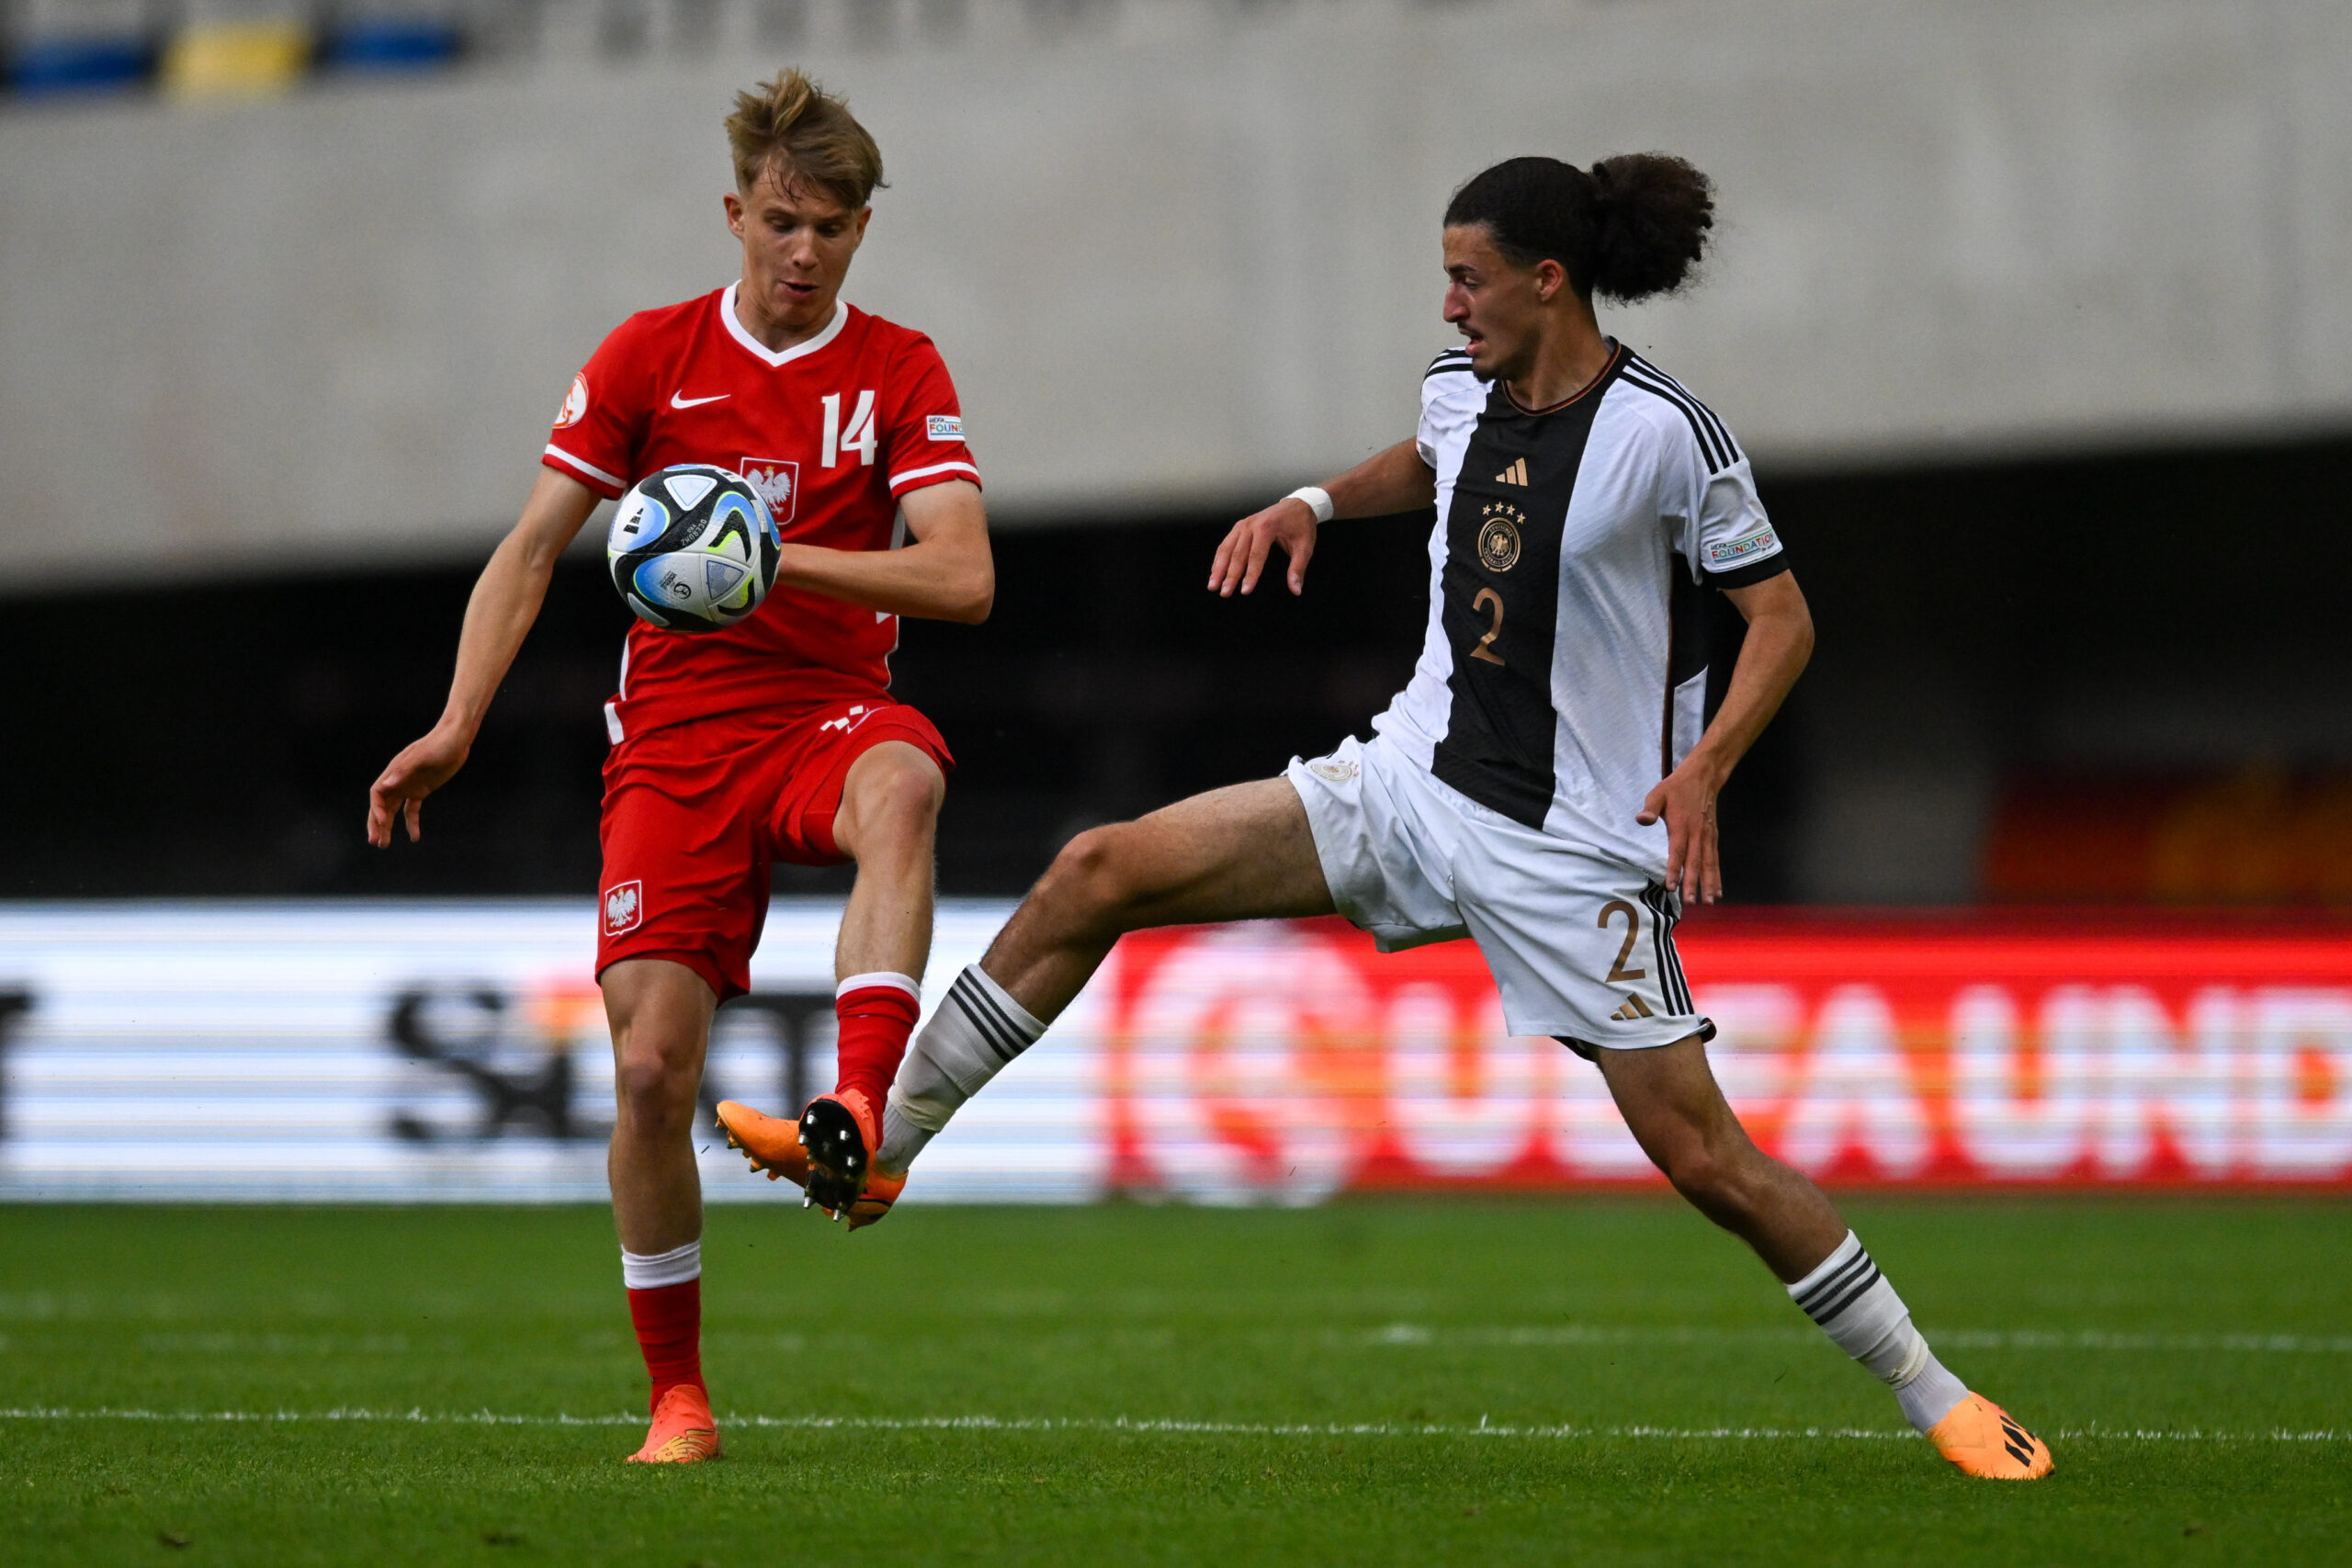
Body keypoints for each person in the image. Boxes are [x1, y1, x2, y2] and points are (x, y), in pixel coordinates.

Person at [719, 153, 2054, 1482]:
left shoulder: (1665, 433)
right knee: (1099, 867)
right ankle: (883, 1148)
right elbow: (1427, 463)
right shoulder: (1461, 388)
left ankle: (1934, 1391)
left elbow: (1784, 620)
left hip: (1571, 848)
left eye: (1468, 281)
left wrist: (1703, 768)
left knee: (1710, 1165)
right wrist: (1313, 501)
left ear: (1548, 281)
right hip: (1411, 784)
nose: (1450, 307)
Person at [367, 71, 993, 1464]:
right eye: (781, 221)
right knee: (651, 1075)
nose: (803, 252)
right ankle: (678, 1399)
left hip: (829, 706)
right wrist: (459, 722)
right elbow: (531, 549)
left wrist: (775, 558)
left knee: (908, 782)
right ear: (735, 213)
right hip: (676, 739)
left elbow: (961, 576)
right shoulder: (651, 356)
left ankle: (860, 1106)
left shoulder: (898, 368)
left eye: (832, 228)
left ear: (861, 234)